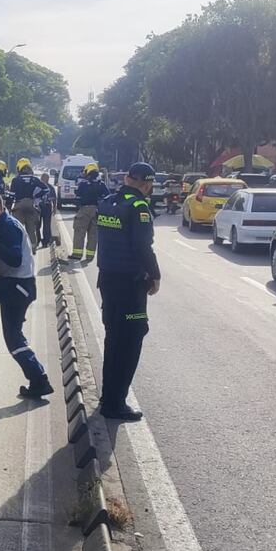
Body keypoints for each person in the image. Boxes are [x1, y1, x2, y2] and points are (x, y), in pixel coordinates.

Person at [94, 162, 161, 422]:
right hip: (130, 286)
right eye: (150, 184)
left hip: (108, 282)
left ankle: (108, 398)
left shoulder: (108, 202)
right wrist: (155, 275)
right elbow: (143, 246)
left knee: (113, 340)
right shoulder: (138, 207)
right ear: (146, 183)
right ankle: (116, 403)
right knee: (130, 341)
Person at [0, 189, 54, 400]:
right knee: (14, 336)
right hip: (14, 284)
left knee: (13, 338)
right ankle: (38, 379)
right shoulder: (0, 223)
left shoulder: (8, 226)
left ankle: (39, 379)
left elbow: (14, 259)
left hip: (17, 287)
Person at [69, 163, 108, 263]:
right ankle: (90, 256)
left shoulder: (83, 184)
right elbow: (107, 196)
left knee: (79, 232)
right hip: (97, 211)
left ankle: (77, 254)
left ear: (87, 173)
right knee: (93, 234)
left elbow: (77, 194)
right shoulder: (101, 184)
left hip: (85, 209)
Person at [9, 158, 44, 249]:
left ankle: (18, 248)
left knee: (17, 228)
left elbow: (12, 195)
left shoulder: (15, 180)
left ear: (19, 168)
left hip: (19, 205)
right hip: (31, 205)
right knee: (31, 229)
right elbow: (46, 190)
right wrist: (36, 196)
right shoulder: (35, 179)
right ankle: (33, 248)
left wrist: (8, 207)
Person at [38, 170, 57, 248]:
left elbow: (54, 199)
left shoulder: (50, 187)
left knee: (46, 225)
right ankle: (39, 240)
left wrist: (55, 207)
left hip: (46, 207)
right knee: (38, 225)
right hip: (39, 207)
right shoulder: (38, 186)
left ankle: (45, 241)